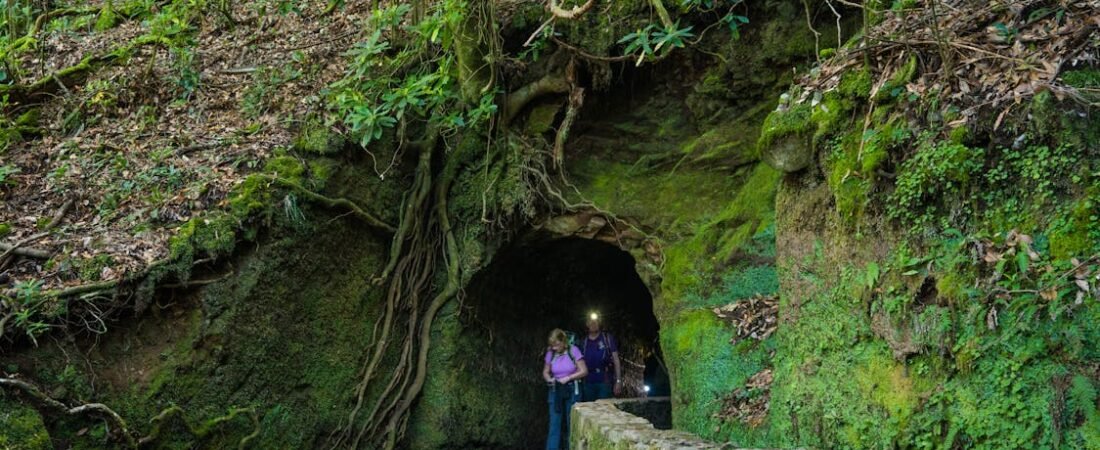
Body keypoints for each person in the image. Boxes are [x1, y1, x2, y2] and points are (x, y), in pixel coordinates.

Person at [543, 328, 587, 450]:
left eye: (557, 345)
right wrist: (549, 379)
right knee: (554, 425)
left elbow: (584, 371)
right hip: (555, 389)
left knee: (571, 424)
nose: (555, 348)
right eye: (552, 345)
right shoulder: (550, 353)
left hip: (572, 388)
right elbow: (546, 372)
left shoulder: (573, 351)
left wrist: (568, 378)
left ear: (564, 342)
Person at [580, 315, 621, 402]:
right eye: (590, 322)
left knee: (605, 409)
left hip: (604, 380)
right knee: (589, 411)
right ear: (587, 324)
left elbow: (616, 360)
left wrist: (618, 381)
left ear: (599, 323)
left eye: (595, 322)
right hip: (588, 382)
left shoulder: (607, 338)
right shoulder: (583, 342)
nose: (593, 324)